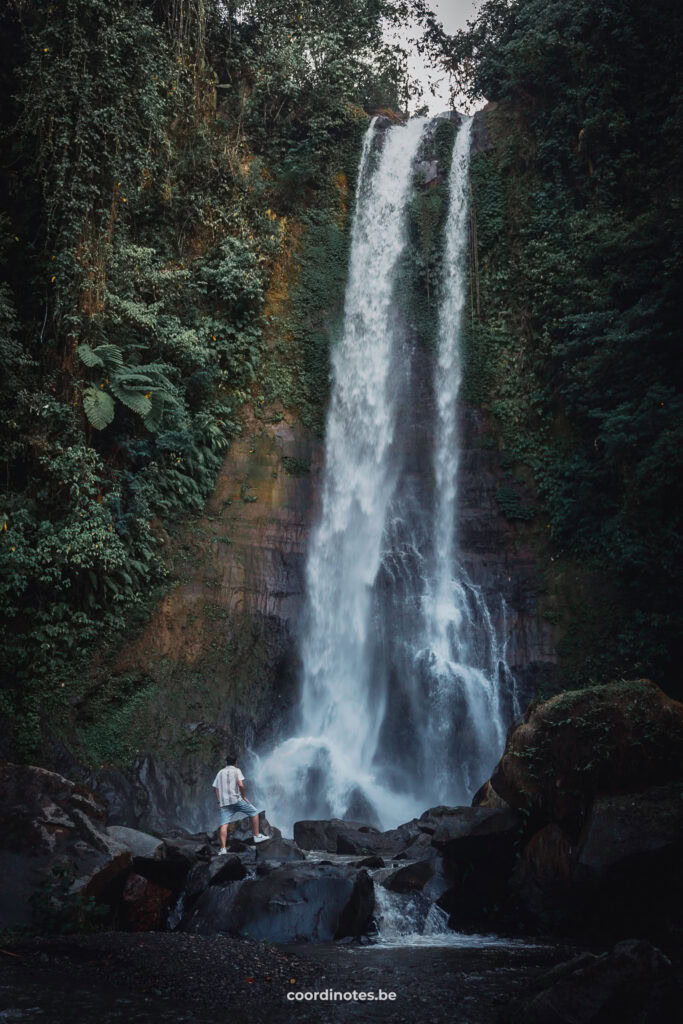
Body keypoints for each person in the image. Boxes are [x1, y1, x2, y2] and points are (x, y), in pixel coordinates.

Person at [212, 754, 269, 854]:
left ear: (226, 762)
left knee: (224, 824)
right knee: (254, 813)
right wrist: (244, 796)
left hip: (224, 803)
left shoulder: (220, 772)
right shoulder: (237, 771)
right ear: (236, 763)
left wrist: (219, 801)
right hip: (237, 800)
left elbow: (216, 788)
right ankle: (257, 836)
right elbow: (241, 785)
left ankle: (223, 849)